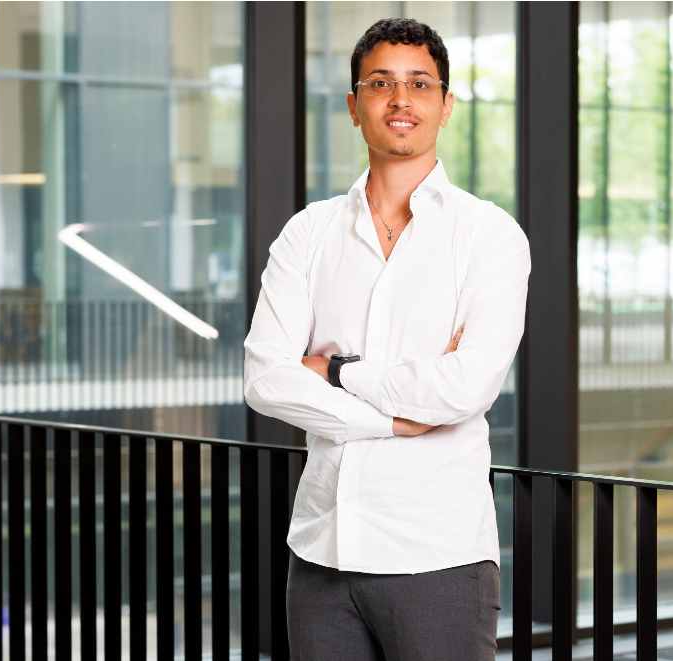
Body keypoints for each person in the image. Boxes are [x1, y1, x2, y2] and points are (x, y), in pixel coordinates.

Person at [243, 16, 530, 661]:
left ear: (445, 105)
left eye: (419, 83)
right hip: (322, 552)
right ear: (354, 106)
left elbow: (465, 387)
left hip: (437, 556)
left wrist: (337, 371)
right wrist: (397, 421)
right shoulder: (308, 233)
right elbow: (266, 380)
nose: (401, 99)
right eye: (380, 83)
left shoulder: (488, 236)